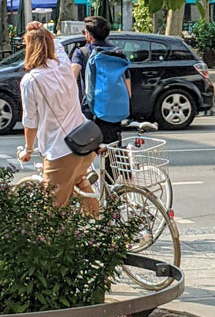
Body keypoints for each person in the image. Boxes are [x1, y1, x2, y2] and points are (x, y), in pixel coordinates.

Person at [18, 21, 97, 211]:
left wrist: (28, 150)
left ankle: (67, 238)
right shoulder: (63, 65)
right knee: (79, 182)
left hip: (61, 151)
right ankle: (103, 227)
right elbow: (58, 45)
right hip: (85, 142)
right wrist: (44, 31)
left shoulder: (31, 80)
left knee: (53, 210)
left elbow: (30, 121)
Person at [71, 15, 131, 149]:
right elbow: (128, 86)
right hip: (114, 109)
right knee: (112, 150)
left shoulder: (82, 52)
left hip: (90, 109)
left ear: (90, 35)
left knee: (83, 150)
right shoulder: (118, 53)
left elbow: (71, 78)